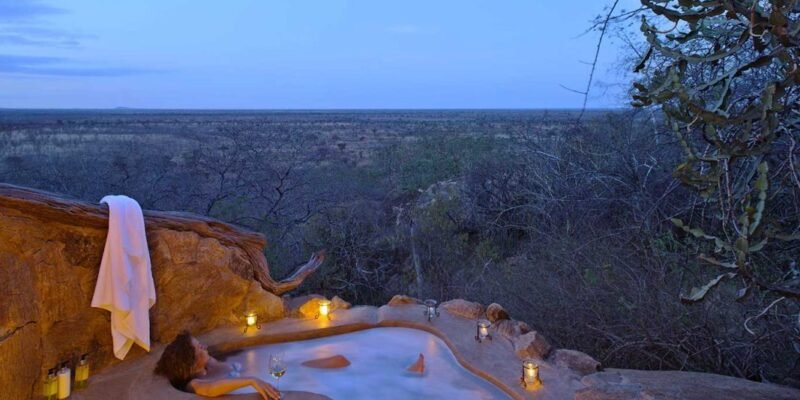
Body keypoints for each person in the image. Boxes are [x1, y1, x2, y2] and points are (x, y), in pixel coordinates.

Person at [155, 331, 280, 399]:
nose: (205, 346)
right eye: (200, 347)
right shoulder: (193, 384)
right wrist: (251, 380)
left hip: (252, 375)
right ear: (191, 364)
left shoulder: (209, 363)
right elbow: (210, 389)